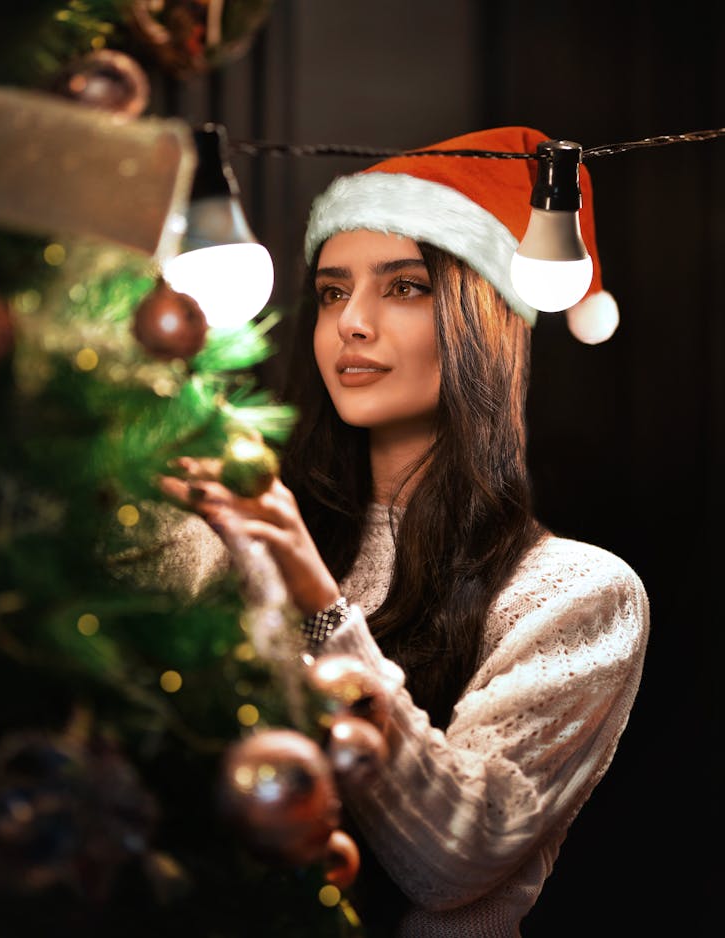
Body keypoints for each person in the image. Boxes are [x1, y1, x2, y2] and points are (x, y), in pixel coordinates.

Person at [159, 126, 650, 937]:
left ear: (483, 317)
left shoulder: (577, 593)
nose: (352, 322)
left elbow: (455, 862)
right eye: (330, 291)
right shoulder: (233, 535)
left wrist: (314, 595)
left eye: (405, 287)